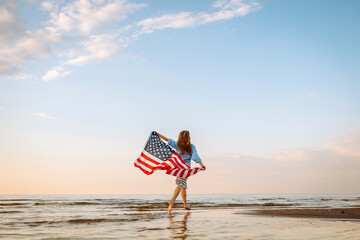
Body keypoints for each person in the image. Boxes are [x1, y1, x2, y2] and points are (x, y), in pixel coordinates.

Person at [156, 130, 205, 214]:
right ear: (188, 137)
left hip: (178, 166)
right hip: (185, 168)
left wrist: (157, 134)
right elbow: (195, 156)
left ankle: (185, 205)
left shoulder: (177, 144)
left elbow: (166, 139)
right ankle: (172, 201)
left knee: (183, 185)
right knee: (180, 184)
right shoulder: (191, 146)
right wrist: (201, 165)